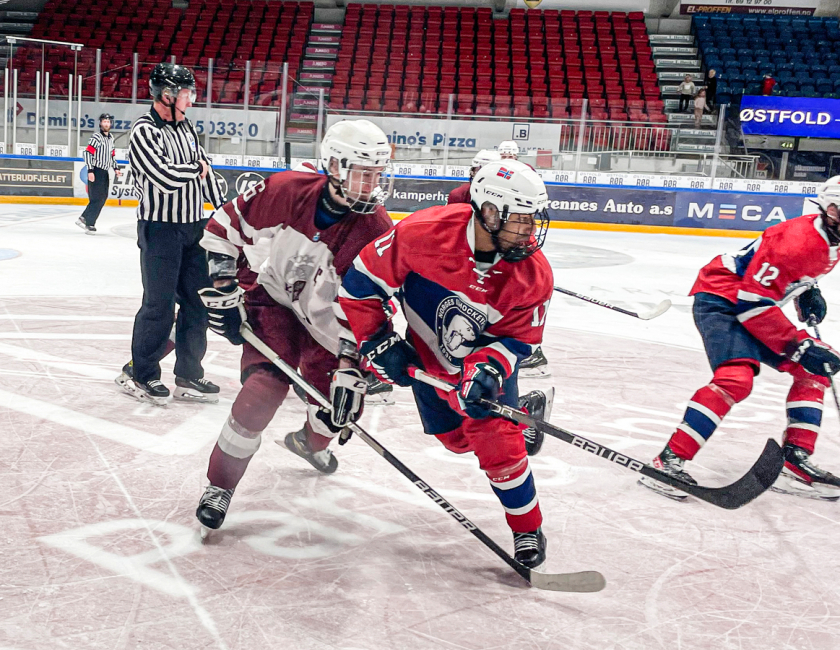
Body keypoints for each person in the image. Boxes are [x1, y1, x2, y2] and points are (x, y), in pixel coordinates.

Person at [338, 159, 555, 568]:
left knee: (496, 444)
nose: (530, 230)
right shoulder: (421, 234)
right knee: (455, 441)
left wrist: (489, 369)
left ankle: (527, 527)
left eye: (533, 219)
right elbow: (359, 285)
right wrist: (377, 340)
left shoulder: (533, 274)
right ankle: (524, 415)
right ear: (489, 213)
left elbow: (519, 340)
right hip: (427, 356)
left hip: (482, 364)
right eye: (521, 219)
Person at [193, 119, 394, 532]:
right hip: (277, 303)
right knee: (262, 392)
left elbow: (370, 305)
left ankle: (310, 442)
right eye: (363, 173)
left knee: (337, 412)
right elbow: (224, 228)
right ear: (334, 166)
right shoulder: (288, 190)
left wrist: (351, 364)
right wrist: (225, 287)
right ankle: (219, 486)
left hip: (332, 329)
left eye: (377, 174)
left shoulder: (375, 229)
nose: (372, 185)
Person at [639, 176, 840, 502]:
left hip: (753, 302)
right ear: (831, 210)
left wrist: (808, 289)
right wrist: (798, 346)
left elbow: (782, 275)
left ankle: (794, 460)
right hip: (722, 298)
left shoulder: (830, 237)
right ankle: (668, 461)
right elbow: (752, 303)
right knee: (735, 378)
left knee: (815, 369)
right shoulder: (796, 241)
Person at [120, 62, 226, 405]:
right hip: (160, 229)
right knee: (159, 305)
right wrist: (197, 168)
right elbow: (164, 178)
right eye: (186, 93)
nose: (191, 100)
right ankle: (142, 373)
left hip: (194, 229)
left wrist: (225, 212)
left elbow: (208, 173)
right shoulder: (144, 130)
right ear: (166, 95)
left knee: (198, 303)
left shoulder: (186, 128)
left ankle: (189, 374)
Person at [76, 113, 122, 234]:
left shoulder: (111, 138)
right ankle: (89, 223)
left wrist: (116, 168)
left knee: (102, 197)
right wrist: (90, 170)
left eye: (108, 122)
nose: (106, 124)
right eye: (104, 121)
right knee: (97, 198)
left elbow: (112, 155)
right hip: (96, 170)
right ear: (101, 123)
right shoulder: (96, 137)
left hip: (104, 172)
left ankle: (84, 218)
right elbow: (87, 153)